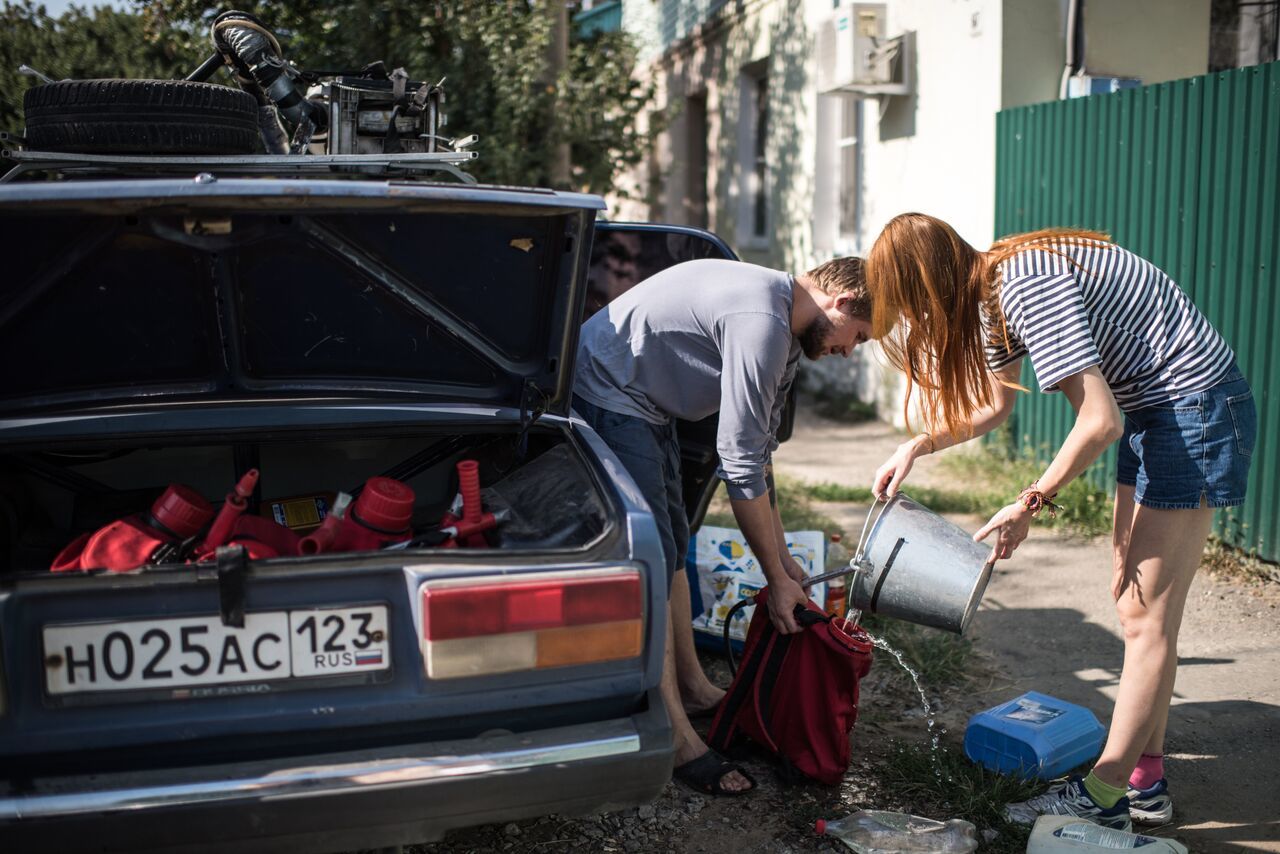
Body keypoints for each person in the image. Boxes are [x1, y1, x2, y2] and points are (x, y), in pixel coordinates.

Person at [866, 213, 1256, 830]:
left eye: (912, 304)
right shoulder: (992, 295)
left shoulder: (1024, 284)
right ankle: (1144, 783)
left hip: (1192, 408)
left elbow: (1098, 420)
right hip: (1159, 409)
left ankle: (1103, 798)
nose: (916, 321)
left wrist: (1029, 503)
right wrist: (919, 444)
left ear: (929, 283)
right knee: (1138, 610)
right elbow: (995, 407)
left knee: (1146, 618)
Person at [574, 256, 873, 796]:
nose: (848, 351)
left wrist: (784, 563)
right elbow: (736, 461)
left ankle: (690, 687)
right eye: (859, 337)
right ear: (843, 303)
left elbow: (760, 457)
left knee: (675, 540)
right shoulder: (763, 319)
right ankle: (673, 735)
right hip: (606, 384)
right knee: (652, 557)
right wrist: (775, 580)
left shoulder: (783, 334)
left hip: (646, 403)